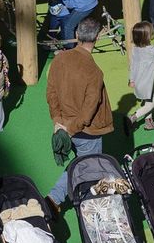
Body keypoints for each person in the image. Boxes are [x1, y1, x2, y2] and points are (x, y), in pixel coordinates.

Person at [45, 16, 114, 205]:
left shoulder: (59, 60)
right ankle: (55, 200)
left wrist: (59, 122)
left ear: (77, 34)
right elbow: (88, 111)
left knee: (82, 164)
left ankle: (55, 200)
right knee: (88, 168)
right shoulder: (94, 72)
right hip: (86, 131)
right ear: (97, 38)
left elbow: (51, 93)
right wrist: (71, 128)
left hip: (65, 124)